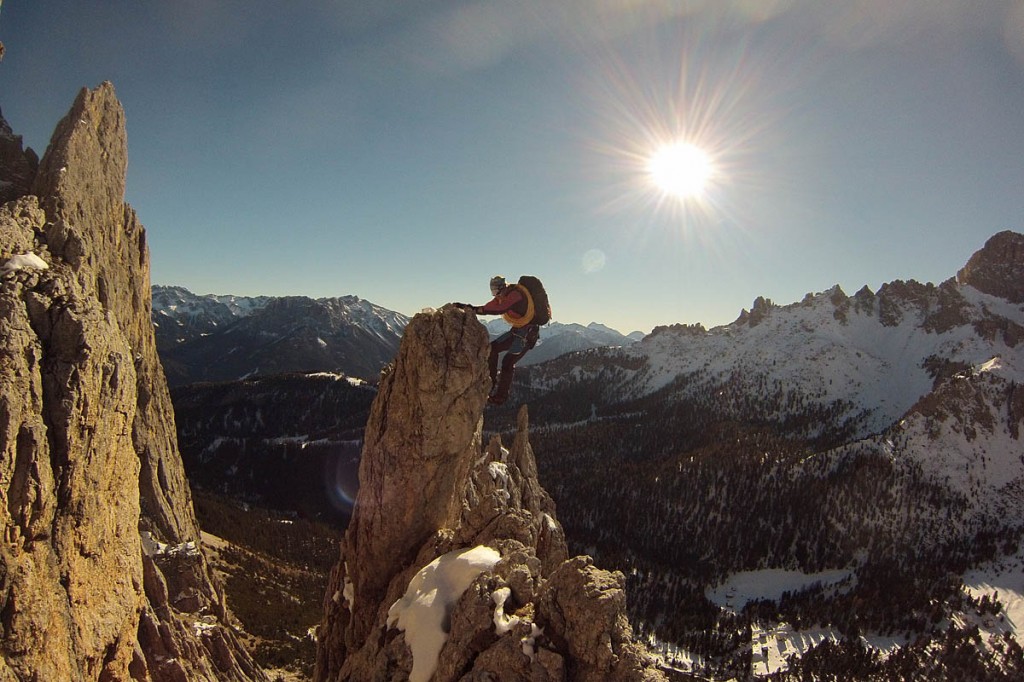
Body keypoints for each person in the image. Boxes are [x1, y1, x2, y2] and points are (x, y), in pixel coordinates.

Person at [458, 275, 543, 405]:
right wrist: (467, 307)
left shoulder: (515, 294)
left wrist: (470, 308)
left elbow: (499, 308)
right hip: (517, 331)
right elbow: (488, 308)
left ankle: (501, 397)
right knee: (492, 348)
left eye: (495, 290)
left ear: (501, 287)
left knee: (508, 362)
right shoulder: (502, 297)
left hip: (527, 334)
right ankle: (490, 382)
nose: (494, 294)